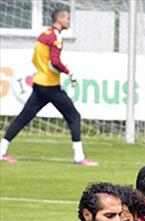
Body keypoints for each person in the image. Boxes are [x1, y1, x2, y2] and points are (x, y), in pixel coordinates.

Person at [1, 8, 95, 166]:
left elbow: (34, 59)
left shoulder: (44, 34)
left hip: (39, 82)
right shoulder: (56, 36)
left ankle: (1, 150)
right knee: (74, 116)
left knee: (24, 117)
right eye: (67, 18)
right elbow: (55, 62)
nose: (69, 21)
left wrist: (44, 69)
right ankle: (79, 156)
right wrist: (68, 72)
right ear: (60, 19)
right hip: (50, 85)